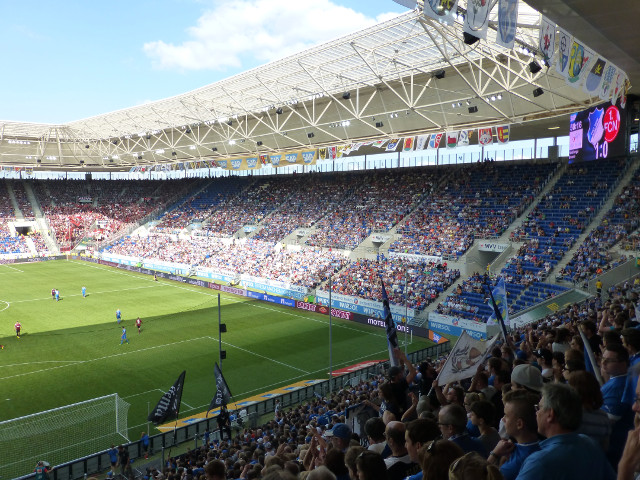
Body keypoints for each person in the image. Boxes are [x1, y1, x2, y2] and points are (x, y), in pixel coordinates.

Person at [515, 383, 615, 480]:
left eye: (539, 407)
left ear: (550, 415)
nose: (537, 412)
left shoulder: (538, 462)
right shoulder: (590, 443)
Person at [488, 390, 540, 480]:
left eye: (506, 415)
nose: (503, 419)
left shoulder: (515, 465)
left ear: (519, 424)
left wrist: (494, 454)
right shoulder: (537, 445)